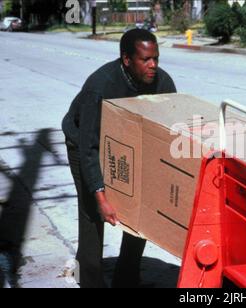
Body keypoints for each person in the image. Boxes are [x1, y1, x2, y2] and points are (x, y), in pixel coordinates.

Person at [62, 29, 176, 288]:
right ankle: (89, 278)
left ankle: (127, 277)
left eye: (156, 58)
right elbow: (88, 147)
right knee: (93, 212)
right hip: (84, 141)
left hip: (128, 144)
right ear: (126, 59)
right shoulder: (100, 86)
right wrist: (101, 196)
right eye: (145, 59)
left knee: (140, 210)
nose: (153, 65)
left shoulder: (163, 83)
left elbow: (167, 133)